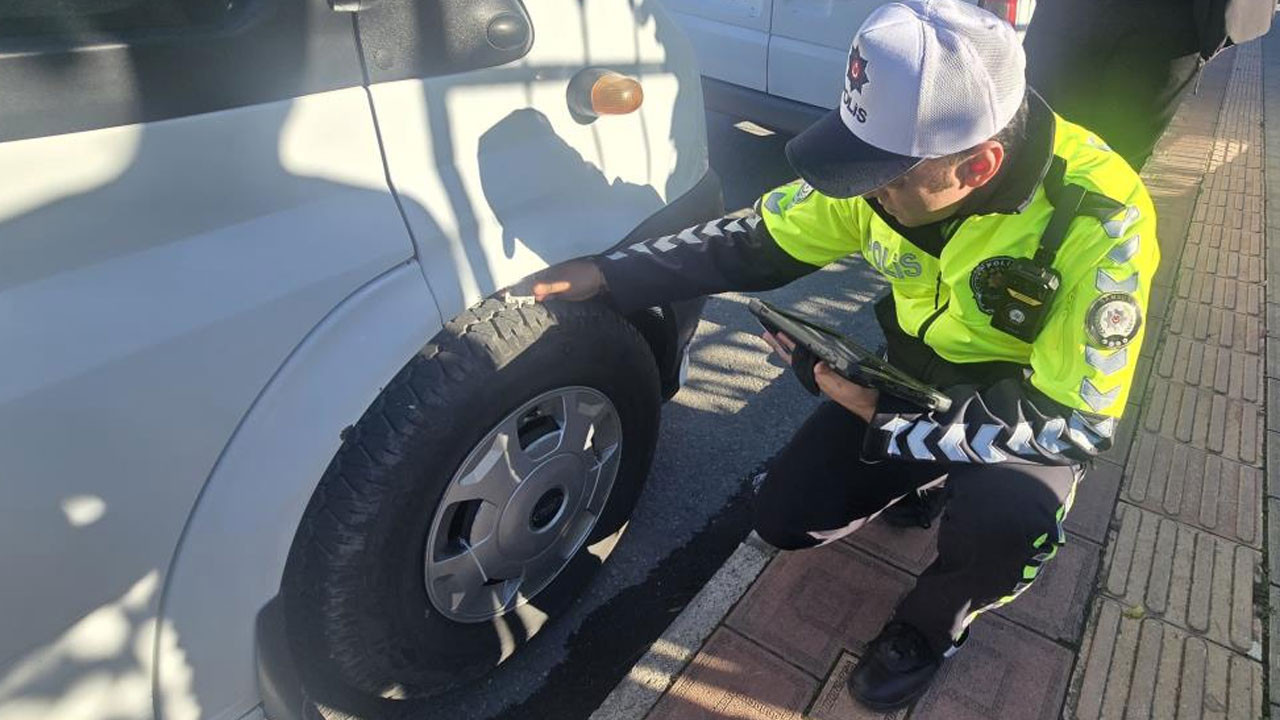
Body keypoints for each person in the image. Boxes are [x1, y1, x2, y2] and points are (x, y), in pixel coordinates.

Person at [526, 0, 1158, 710]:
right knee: (784, 519)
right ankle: (923, 478)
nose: (864, 194)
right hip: (911, 372)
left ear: (977, 165)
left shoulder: (1102, 219)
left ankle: (929, 629)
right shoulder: (889, 175)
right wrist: (610, 275)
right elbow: (754, 240)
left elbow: (1076, 422)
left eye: (884, 176)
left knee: (1010, 519)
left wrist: (890, 421)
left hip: (1022, 404)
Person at [1022, 0, 1274, 170]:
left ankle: (1084, 240)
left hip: (1172, 24)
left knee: (1117, 158)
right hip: (1073, 12)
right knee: (1035, 133)